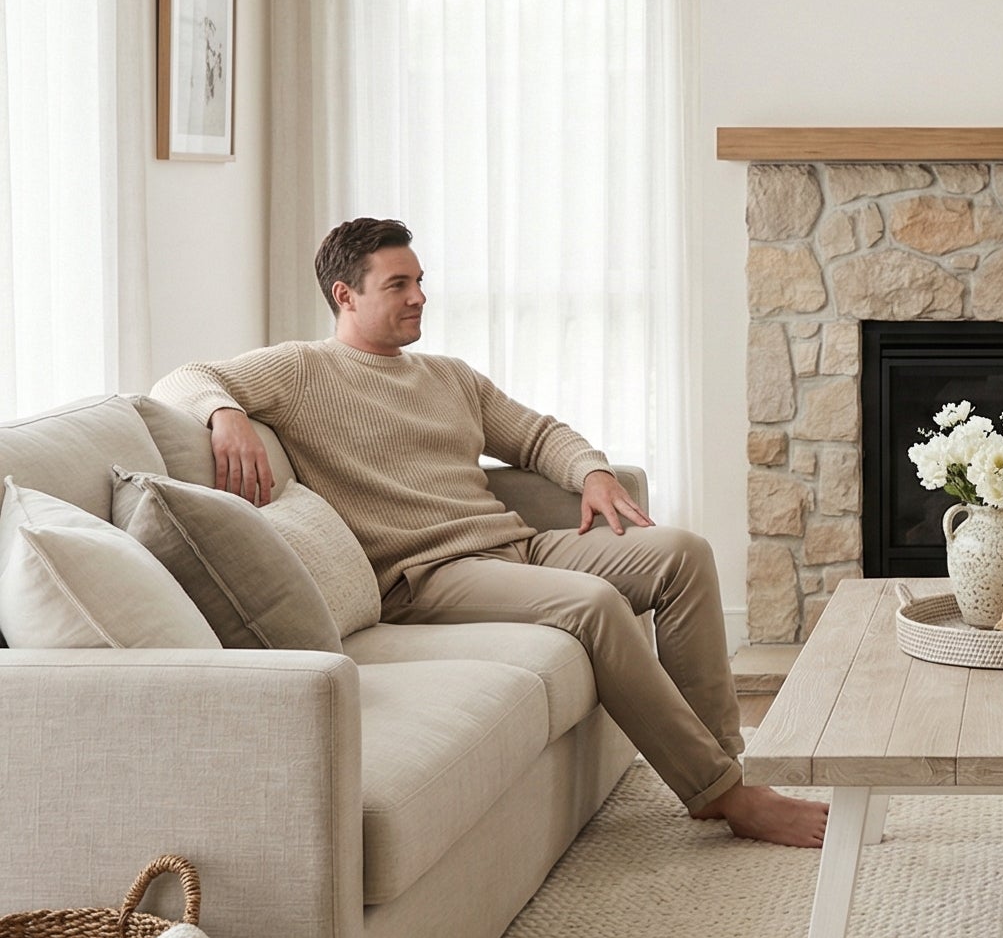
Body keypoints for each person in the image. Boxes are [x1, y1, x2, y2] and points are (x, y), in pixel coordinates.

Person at [153, 217, 827, 848]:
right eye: (398, 284)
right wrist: (225, 414)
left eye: (420, 281)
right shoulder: (305, 370)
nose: (419, 296)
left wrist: (592, 473)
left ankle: (724, 761)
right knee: (592, 604)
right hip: (426, 575)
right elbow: (183, 380)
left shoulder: (448, 376)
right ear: (344, 296)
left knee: (682, 553)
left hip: (514, 547)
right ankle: (723, 794)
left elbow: (537, 435)